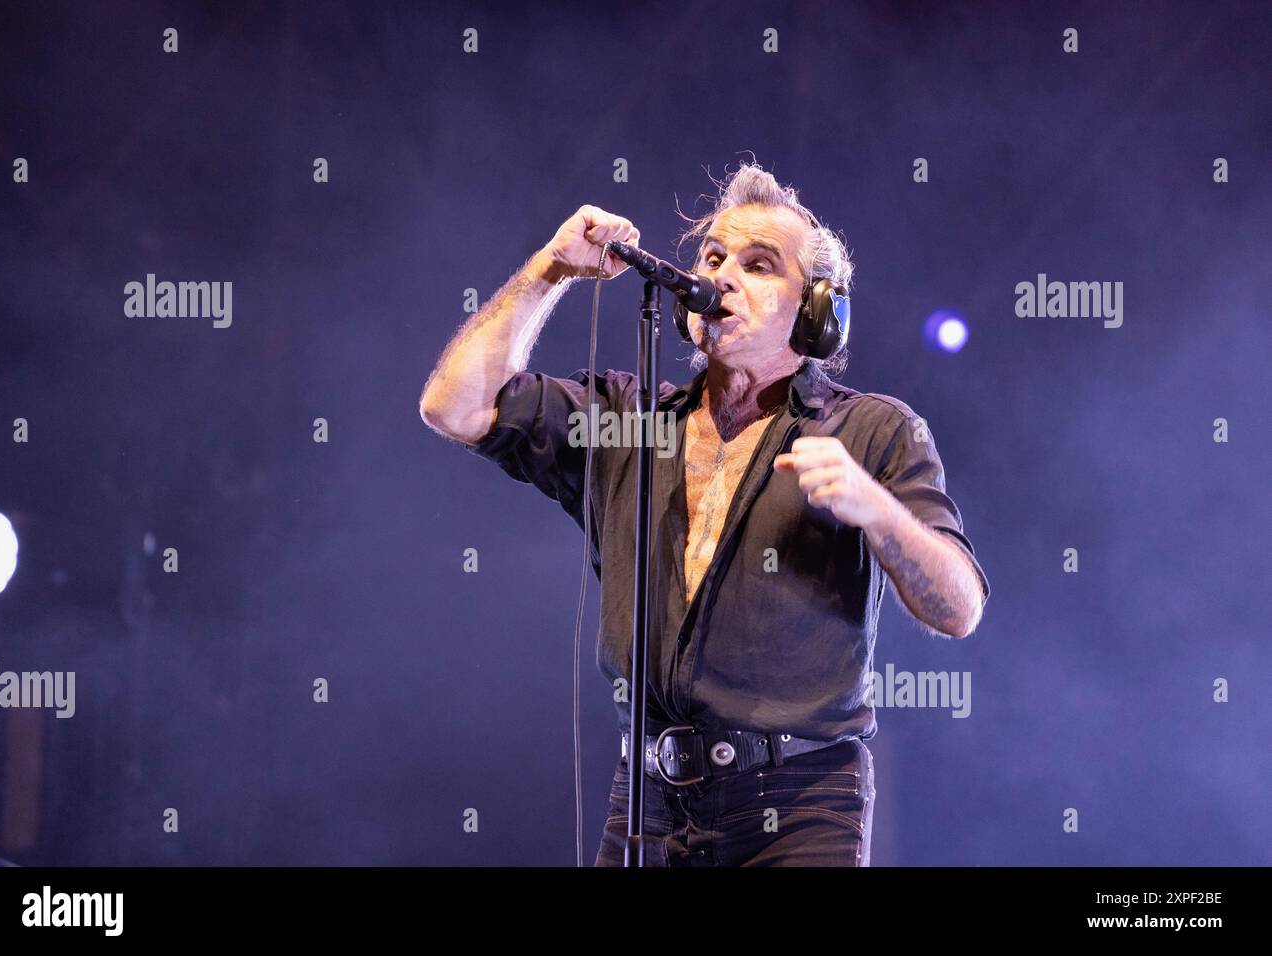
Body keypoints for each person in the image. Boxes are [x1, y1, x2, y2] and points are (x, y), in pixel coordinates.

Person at [419, 162, 991, 866]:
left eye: (758, 265)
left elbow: (960, 608)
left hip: (800, 802)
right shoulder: (627, 421)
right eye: (713, 256)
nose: (722, 276)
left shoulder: (873, 431)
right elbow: (453, 405)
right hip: (648, 802)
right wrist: (550, 270)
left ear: (816, 312)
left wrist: (877, 511)